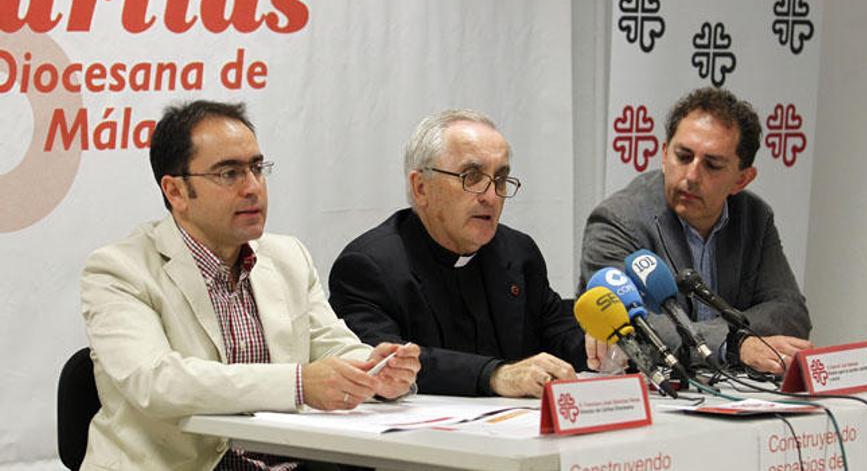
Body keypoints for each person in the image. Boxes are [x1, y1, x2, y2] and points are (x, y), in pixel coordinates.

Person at [80, 100, 420, 471]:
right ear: (175, 192)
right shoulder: (119, 270)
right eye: (229, 174)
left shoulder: (287, 256)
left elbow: (332, 347)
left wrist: (374, 372)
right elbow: (157, 382)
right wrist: (299, 384)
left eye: (257, 168)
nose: (253, 187)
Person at [328, 109, 586, 398]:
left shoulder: (517, 252)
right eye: (472, 176)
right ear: (421, 187)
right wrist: (496, 375)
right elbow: (385, 364)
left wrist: (604, 346)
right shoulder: (369, 266)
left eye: (500, 179)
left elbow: (557, 332)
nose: (491, 196)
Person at [579, 87, 812, 375]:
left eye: (712, 165)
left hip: (730, 388)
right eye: (683, 156)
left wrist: (725, 342)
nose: (691, 176)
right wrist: (734, 345)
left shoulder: (754, 217)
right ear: (664, 155)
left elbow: (789, 312)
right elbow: (632, 328)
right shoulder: (617, 220)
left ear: (742, 179)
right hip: (647, 394)